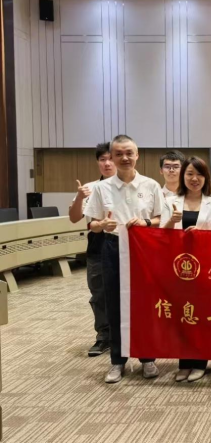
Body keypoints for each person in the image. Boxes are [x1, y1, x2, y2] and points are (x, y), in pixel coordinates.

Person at [84, 135, 164, 384]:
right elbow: (92, 224)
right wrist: (102, 224)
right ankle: (117, 361)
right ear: (112, 157)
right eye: (119, 154)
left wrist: (146, 222)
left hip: (143, 248)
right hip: (113, 246)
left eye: (129, 153)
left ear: (137, 155)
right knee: (114, 303)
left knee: (144, 304)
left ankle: (147, 358)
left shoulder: (151, 185)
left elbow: (161, 218)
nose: (125, 158)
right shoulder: (102, 188)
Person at [161, 156, 211, 383]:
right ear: (183, 176)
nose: (194, 178)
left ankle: (200, 362)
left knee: (202, 314)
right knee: (182, 315)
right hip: (178, 268)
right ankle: (184, 362)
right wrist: (171, 221)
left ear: (206, 178)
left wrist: (202, 234)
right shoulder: (171, 202)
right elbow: (161, 235)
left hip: (204, 267)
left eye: (199, 174)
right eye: (189, 174)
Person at [68, 143, 116, 357]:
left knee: (127, 292)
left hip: (126, 247)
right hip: (97, 248)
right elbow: (74, 218)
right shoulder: (90, 188)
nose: (107, 163)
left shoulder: (131, 187)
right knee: (98, 293)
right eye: (102, 159)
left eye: (111, 159)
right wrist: (80, 197)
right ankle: (104, 335)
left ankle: (127, 335)